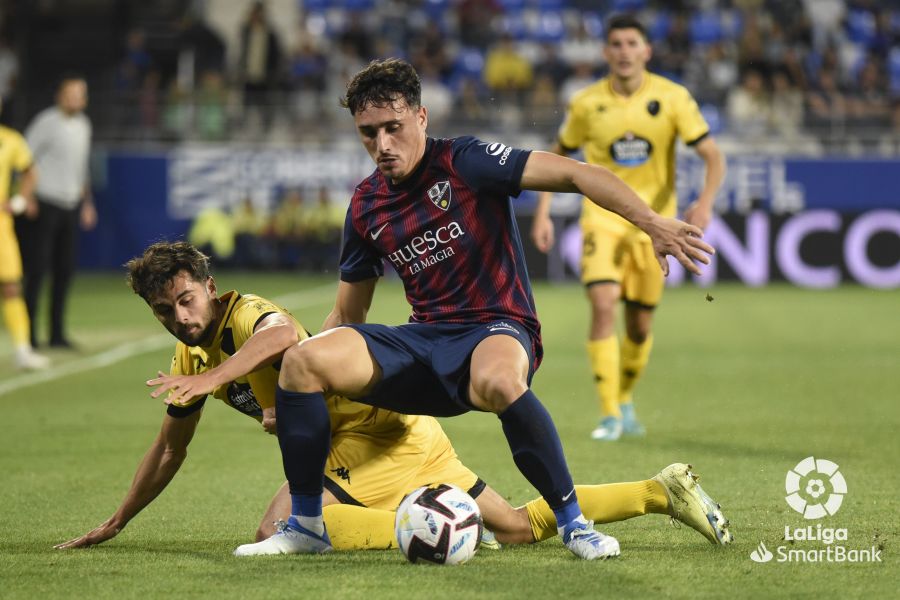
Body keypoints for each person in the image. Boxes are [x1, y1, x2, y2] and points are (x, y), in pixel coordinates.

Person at [174, 58, 715, 560]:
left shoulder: (466, 162)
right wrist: (297, 392)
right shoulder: (365, 206)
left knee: (500, 381)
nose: (382, 144)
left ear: (421, 117)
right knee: (302, 359)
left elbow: (574, 173)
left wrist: (651, 221)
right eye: (369, 133)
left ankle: (575, 523)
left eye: (394, 127)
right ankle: (308, 527)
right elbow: (348, 314)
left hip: (496, 324)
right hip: (426, 339)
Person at [55, 242, 731, 551]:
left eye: (185, 299)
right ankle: (657, 491)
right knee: (520, 527)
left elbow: (284, 335)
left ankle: (434, 526)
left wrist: (214, 379)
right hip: (390, 438)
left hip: (372, 430)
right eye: (165, 311)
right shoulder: (189, 352)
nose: (180, 316)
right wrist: (120, 520)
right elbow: (169, 449)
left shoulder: (242, 312)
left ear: (208, 287)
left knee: (279, 529)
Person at [531, 16, 726, 442]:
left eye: (631, 43)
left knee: (638, 326)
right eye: (615, 44)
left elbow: (712, 155)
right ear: (606, 52)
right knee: (603, 304)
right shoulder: (586, 103)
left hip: (657, 225)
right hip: (603, 219)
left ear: (646, 51)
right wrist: (543, 209)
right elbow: (557, 156)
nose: (623, 51)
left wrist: (705, 203)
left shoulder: (673, 97)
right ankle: (609, 415)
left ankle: (624, 400)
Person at [15, 75, 96, 349]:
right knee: (37, 269)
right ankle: (27, 334)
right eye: (70, 93)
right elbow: (24, 159)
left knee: (64, 270)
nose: (75, 98)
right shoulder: (46, 122)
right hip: (45, 202)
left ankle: (57, 333)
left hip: (71, 204)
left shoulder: (84, 125)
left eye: (80, 94)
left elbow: (82, 168)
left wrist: (87, 202)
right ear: (60, 95)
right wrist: (27, 197)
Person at [0, 99, 49, 370]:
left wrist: (19, 201)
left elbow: (30, 172)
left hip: (1, 227)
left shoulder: (10, 140)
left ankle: (22, 350)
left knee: (10, 286)